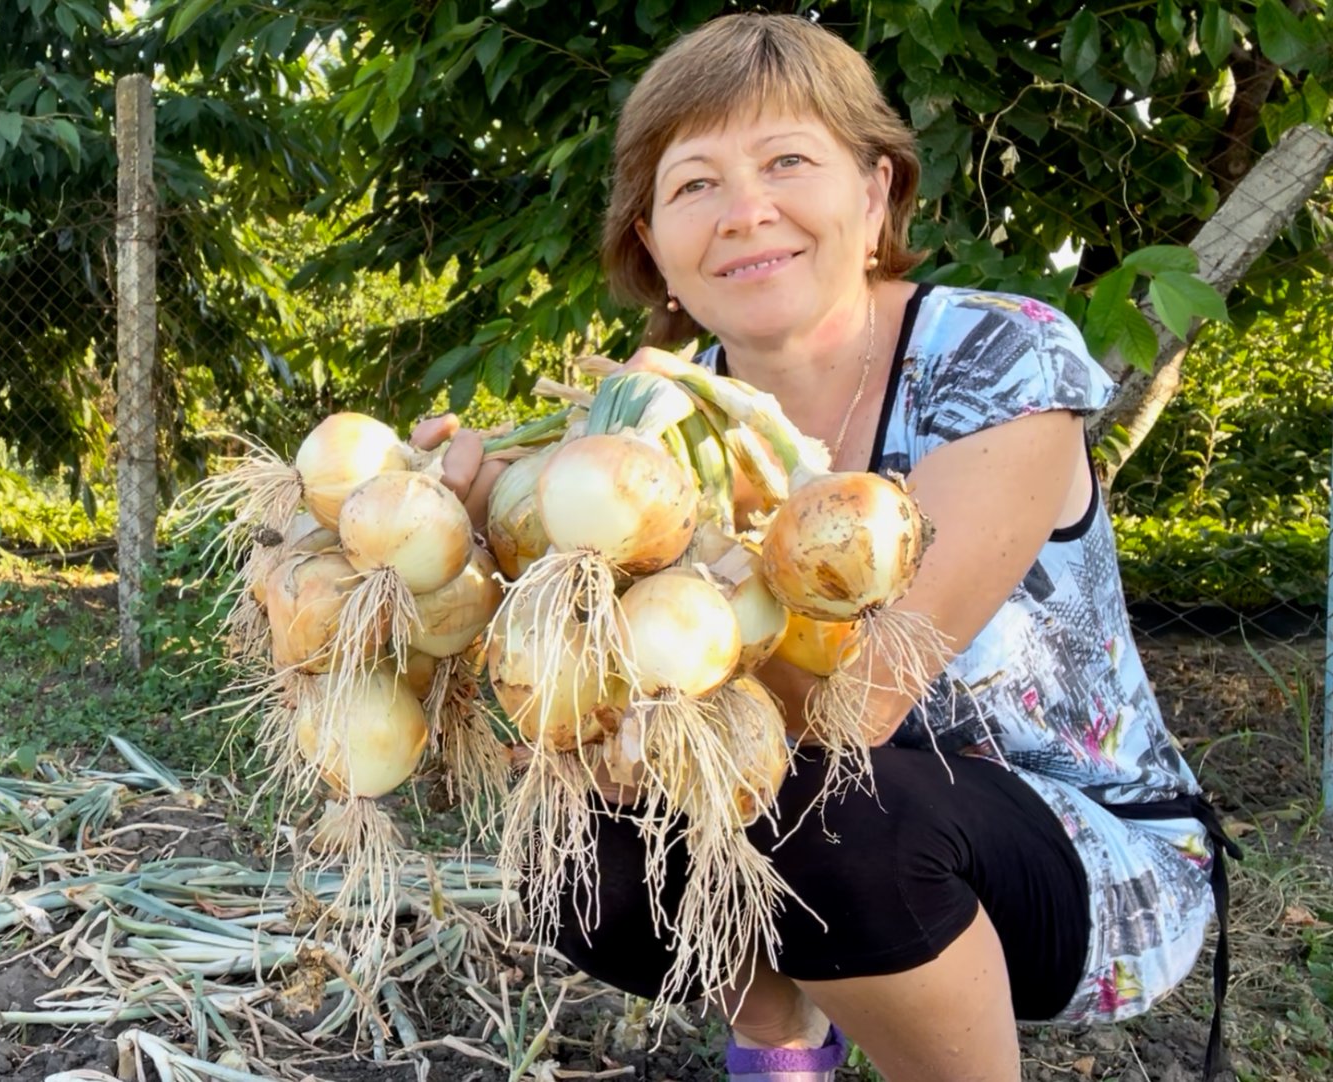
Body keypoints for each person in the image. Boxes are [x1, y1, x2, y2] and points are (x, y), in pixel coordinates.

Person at [415, 13, 1234, 1082]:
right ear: (654, 243)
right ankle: (781, 1042)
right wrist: (479, 538)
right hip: (827, 822)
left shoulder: (996, 356)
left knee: (823, 797)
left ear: (876, 191)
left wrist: (616, 702)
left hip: (1092, 851)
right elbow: (592, 691)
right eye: (695, 183)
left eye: (788, 161)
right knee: (571, 840)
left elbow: (857, 708)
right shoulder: (643, 431)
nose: (745, 210)